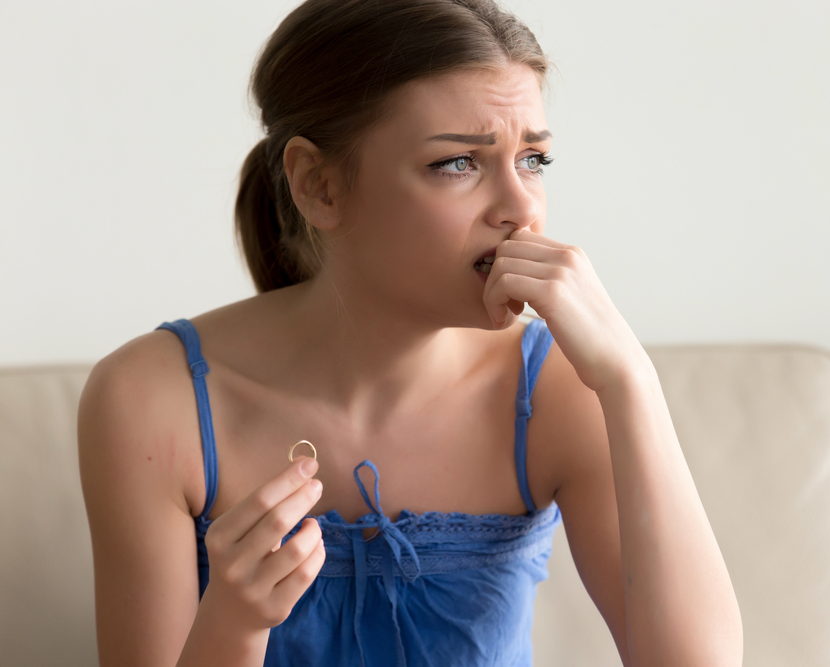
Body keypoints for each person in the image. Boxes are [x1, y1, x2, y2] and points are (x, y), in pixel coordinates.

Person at [78, 0, 743, 665]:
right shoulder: (149, 399)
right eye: (458, 163)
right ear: (319, 186)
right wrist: (235, 620)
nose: (521, 210)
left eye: (534, 160)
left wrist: (630, 381)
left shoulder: (562, 390)